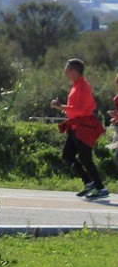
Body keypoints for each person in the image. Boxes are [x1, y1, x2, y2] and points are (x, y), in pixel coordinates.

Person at [50, 57, 107, 199]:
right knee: (67, 155)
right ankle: (89, 183)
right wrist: (63, 108)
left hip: (84, 127)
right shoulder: (76, 85)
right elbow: (75, 109)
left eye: (67, 69)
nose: (65, 72)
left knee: (85, 158)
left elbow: (81, 109)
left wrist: (61, 106)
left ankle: (100, 188)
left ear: (75, 71)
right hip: (76, 126)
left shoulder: (83, 87)